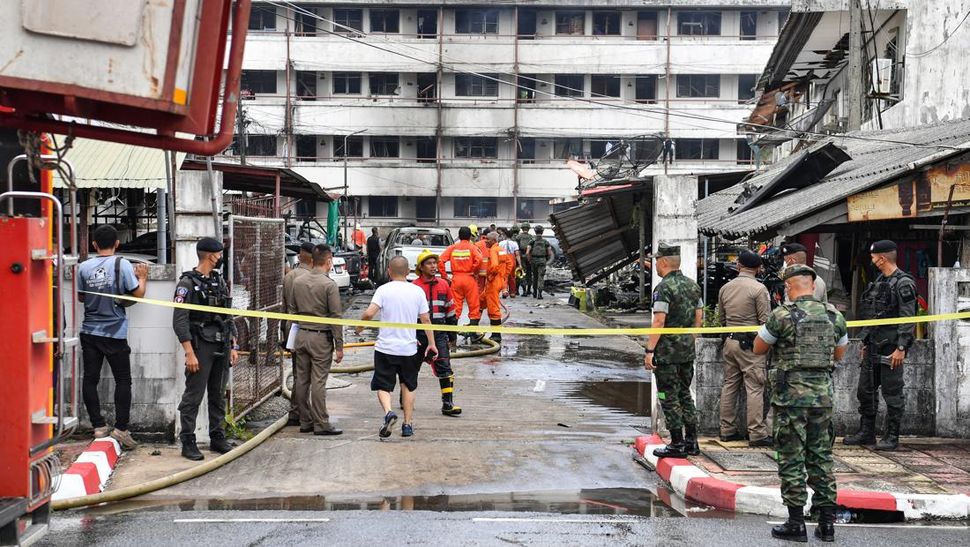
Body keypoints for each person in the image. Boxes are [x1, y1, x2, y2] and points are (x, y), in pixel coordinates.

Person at [754, 265, 848, 543]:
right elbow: (840, 353)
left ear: (789, 288)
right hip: (823, 398)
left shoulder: (782, 315)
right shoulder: (834, 315)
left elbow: (759, 348)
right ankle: (827, 524)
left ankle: (796, 523)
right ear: (813, 286)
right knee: (821, 457)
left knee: (792, 458)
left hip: (790, 400)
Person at [77, 225, 148, 450]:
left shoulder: (83, 267)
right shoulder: (122, 264)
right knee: (123, 380)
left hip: (89, 331)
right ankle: (121, 429)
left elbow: (81, 297)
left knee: (90, 378)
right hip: (115, 332)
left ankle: (98, 426)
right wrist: (143, 278)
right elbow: (137, 293)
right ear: (117, 243)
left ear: (94, 245)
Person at [843, 240, 917, 451]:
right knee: (865, 391)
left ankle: (892, 436)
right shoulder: (878, 282)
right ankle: (867, 433)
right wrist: (865, 341)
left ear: (882, 258)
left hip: (891, 347)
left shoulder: (903, 283)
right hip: (874, 345)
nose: (872, 260)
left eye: (874, 257)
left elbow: (907, 317)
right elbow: (873, 315)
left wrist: (901, 347)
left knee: (893, 393)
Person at [356, 256, 437, 438]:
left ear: (389, 272)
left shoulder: (383, 290)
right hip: (409, 348)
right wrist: (431, 344)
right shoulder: (417, 292)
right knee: (408, 385)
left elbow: (369, 313)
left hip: (386, 348)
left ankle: (388, 413)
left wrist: (360, 327)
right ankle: (407, 425)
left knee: (383, 385)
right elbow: (425, 319)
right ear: (408, 272)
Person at [173, 237, 239, 460]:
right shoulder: (187, 284)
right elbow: (179, 321)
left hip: (221, 343)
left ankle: (217, 437)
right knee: (193, 396)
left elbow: (227, 315)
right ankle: (188, 441)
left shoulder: (218, 281)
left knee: (218, 395)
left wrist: (233, 344)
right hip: (200, 347)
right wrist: (189, 352)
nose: (221, 258)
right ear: (212, 256)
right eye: (219, 254)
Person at [643, 243, 704, 459]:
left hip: (667, 353)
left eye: (657, 261)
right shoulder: (693, 286)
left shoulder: (663, 288)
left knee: (668, 396)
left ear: (664, 262)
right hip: (686, 351)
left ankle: (676, 443)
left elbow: (659, 321)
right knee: (685, 394)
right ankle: (692, 442)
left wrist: (650, 350)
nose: (655, 265)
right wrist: (688, 340)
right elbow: (699, 318)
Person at [717, 249, 772, 447]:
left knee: (730, 385)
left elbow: (722, 319)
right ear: (758, 268)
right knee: (755, 387)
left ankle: (727, 430)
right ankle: (757, 434)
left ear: (739, 265)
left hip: (730, 342)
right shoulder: (759, 289)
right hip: (751, 345)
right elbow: (766, 322)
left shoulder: (725, 288)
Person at [291, 244, 344, 436]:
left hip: (301, 334)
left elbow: (293, 310)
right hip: (320, 338)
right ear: (329, 261)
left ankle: (306, 421)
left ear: (313, 260)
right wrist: (339, 346)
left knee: (302, 380)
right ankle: (321, 423)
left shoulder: (298, 281)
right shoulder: (329, 285)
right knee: (318, 382)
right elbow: (335, 317)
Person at [412, 250, 462, 416]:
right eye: (429, 263)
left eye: (435, 263)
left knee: (445, 368)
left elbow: (450, 311)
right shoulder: (414, 287)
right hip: (419, 333)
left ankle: (447, 403)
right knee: (411, 368)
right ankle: (405, 398)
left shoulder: (443, 285)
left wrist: (452, 336)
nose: (434, 266)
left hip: (440, 332)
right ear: (421, 267)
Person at [282, 241, 314, 427]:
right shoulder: (313, 277)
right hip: (307, 328)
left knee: (297, 371)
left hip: (290, 327)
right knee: (305, 375)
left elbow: (284, 306)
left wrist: (282, 332)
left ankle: (295, 411)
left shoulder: (290, 276)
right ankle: (304, 414)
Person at [438, 226, 483, 332]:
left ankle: (452, 335)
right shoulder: (472, 248)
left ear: (459, 236)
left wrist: (444, 276)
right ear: (469, 237)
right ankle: (473, 334)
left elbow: (440, 260)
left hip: (456, 279)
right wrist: (474, 270)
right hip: (469, 278)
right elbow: (479, 259)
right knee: (474, 305)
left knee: (456, 306)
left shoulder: (452, 248)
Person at [484, 232, 508, 341]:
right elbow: (509, 263)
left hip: (493, 282)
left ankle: (496, 335)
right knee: (481, 300)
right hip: (500, 280)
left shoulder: (493, 250)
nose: (485, 241)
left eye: (487, 239)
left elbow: (494, 266)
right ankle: (473, 326)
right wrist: (503, 277)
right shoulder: (501, 249)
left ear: (493, 240)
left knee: (493, 308)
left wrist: (490, 276)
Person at [526, 225, 553, 299]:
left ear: (535, 231)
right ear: (542, 232)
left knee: (535, 277)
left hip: (534, 260)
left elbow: (527, 252)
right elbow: (550, 253)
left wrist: (529, 260)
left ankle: (534, 292)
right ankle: (540, 294)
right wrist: (546, 259)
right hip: (542, 260)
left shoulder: (532, 241)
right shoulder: (545, 242)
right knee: (540, 277)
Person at [499, 228, 521, 299]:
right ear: (512, 236)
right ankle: (512, 293)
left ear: (505, 235)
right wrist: (520, 264)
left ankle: (504, 291)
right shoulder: (514, 243)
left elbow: (498, 253)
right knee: (512, 277)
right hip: (512, 261)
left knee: (504, 276)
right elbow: (517, 254)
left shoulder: (501, 243)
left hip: (503, 260)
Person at [515, 223, 534, 297]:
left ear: (522, 228)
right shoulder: (531, 237)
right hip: (529, 257)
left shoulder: (518, 237)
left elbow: (517, 248)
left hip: (521, 256)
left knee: (520, 272)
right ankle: (529, 290)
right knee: (529, 273)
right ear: (528, 228)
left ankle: (522, 291)